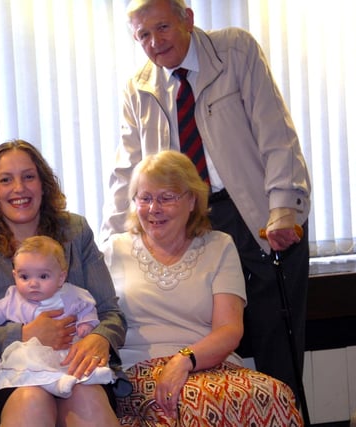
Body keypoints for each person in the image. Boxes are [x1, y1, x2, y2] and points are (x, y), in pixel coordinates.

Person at [102, 0, 312, 404]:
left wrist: (283, 207)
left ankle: (281, 412)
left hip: (258, 211)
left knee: (276, 338)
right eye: (142, 34)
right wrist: (114, 237)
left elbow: (275, 130)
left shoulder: (235, 51)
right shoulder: (140, 86)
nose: (153, 42)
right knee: (205, 332)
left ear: (188, 19)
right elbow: (127, 167)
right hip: (189, 218)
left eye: (161, 28)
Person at [102, 150, 302, 425]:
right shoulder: (115, 249)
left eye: (167, 197)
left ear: (192, 200)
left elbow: (229, 329)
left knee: (277, 394)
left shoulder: (219, 246)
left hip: (211, 364)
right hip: (137, 370)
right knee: (190, 402)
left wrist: (184, 361)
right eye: (145, 198)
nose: (153, 208)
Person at [0, 139, 127, 427]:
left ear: (43, 184)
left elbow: (110, 313)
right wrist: (26, 333)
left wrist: (99, 337)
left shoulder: (75, 231)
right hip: (2, 378)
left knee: (85, 396)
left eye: (28, 177)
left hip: (75, 367)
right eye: (6, 180)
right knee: (33, 400)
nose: (19, 188)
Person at [0, 235, 115, 398]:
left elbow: (87, 308)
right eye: (24, 277)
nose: (33, 283)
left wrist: (86, 324)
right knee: (29, 366)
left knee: (79, 361)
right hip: (34, 351)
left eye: (43, 276)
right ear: (14, 275)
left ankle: (90, 376)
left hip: (67, 350)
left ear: (61, 278)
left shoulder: (71, 294)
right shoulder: (14, 299)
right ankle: (56, 384)